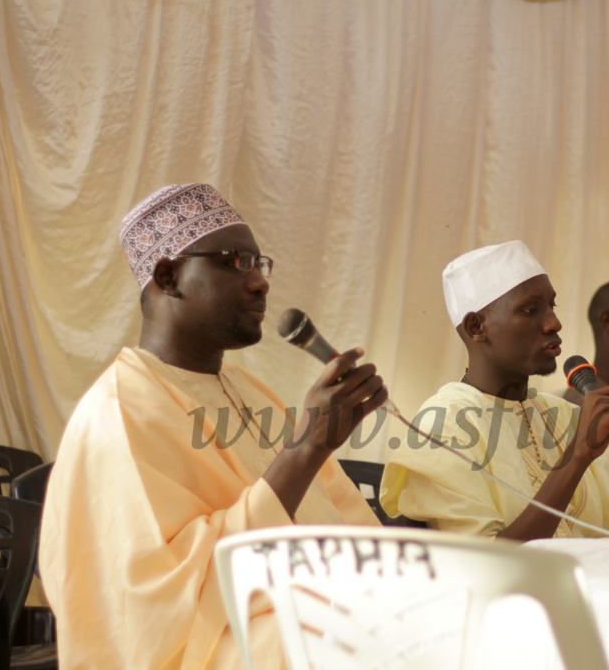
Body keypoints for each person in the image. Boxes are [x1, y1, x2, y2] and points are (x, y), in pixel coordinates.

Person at [40, 184, 389, 669]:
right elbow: (161, 603)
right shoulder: (118, 411)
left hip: (315, 607)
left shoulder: (248, 389)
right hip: (212, 644)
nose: (260, 283)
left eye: (259, 264)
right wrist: (308, 445)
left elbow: (341, 517)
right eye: (233, 262)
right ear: (168, 276)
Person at [379, 241, 609, 540]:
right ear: (476, 327)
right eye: (530, 310)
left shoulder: (564, 415)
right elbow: (488, 566)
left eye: (552, 306)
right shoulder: (441, 429)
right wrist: (576, 456)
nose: (554, 323)